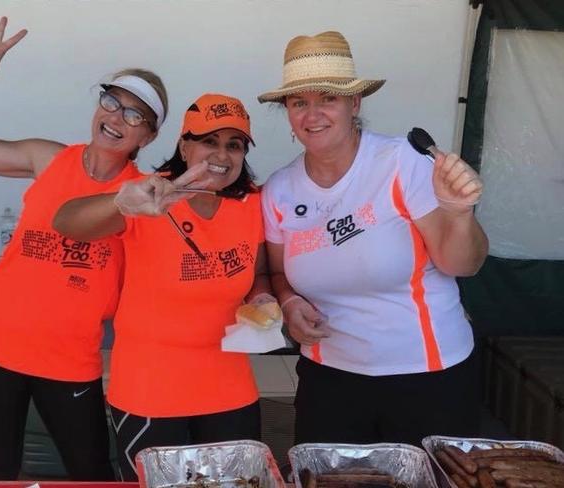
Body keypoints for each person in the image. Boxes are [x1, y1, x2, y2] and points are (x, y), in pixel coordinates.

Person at [0, 17, 167, 480]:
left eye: (134, 115)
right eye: (111, 102)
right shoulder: (48, 160)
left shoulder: (146, 196)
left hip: (69, 360)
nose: (116, 117)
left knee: (91, 472)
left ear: (148, 137)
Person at [257, 31, 489, 447]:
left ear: (354, 103)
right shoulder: (279, 191)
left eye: (327, 97)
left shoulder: (402, 162)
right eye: (299, 102)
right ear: (288, 113)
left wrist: (459, 214)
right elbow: (277, 270)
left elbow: (462, 264)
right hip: (330, 380)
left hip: (427, 375)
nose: (312, 115)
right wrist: (290, 304)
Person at [53, 93, 277, 480]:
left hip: (229, 383)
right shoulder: (150, 195)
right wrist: (121, 203)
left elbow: (257, 273)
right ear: (185, 144)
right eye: (209, 141)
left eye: (234, 145)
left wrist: (261, 297)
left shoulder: (252, 202)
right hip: (149, 386)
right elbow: (66, 221)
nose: (222, 155)